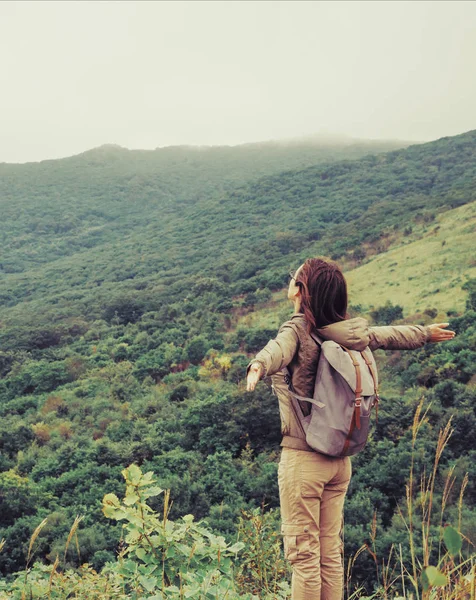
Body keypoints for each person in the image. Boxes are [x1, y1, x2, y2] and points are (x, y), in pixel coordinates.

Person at [245, 257, 455, 600]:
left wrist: (258, 365)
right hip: (340, 462)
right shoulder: (346, 332)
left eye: (295, 277)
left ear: (301, 290)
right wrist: (424, 334)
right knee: (329, 554)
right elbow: (387, 336)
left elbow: (278, 350)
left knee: (304, 558)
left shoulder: (298, 328)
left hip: (304, 462)